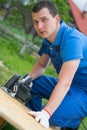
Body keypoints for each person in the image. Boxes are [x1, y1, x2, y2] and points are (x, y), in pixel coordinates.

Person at [22, 0, 87, 130]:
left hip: (83, 92)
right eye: (36, 21)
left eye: (44, 20)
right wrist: (24, 80)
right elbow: (41, 65)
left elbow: (65, 82)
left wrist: (47, 112)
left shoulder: (72, 40)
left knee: (50, 116)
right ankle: (36, 119)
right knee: (28, 85)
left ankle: (69, 123)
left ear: (56, 18)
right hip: (67, 85)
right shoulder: (49, 38)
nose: (39, 26)